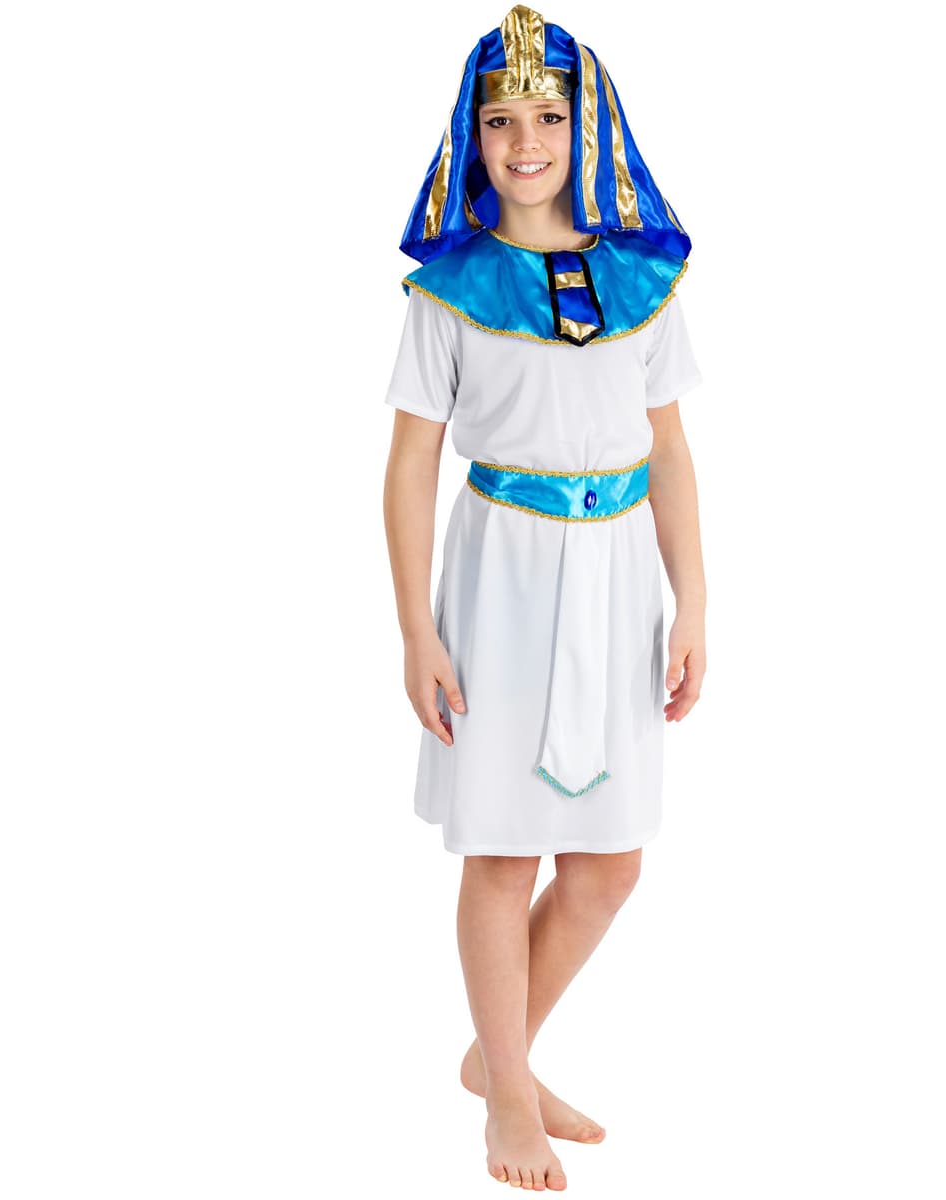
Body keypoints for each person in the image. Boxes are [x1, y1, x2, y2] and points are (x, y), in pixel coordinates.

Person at [382, 5, 707, 1190]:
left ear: (589, 128)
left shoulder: (642, 279)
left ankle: (496, 1056)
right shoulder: (451, 291)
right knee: (505, 847)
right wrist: (416, 629)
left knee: (610, 862)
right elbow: (411, 464)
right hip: (503, 577)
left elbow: (669, 449)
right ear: (472, 138)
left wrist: (695, 601)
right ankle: (508, 1101)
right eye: (503, 120)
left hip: (619, 577)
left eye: (551, 117)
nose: (528, 142)